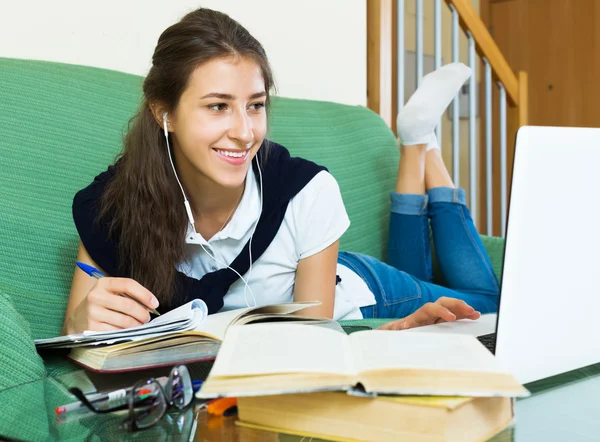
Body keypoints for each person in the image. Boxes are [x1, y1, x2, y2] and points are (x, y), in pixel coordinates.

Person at [62, 8, 499, 335]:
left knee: (491, 305)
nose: (245, 132)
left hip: (360, 294)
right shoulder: (112, 205)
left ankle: (421, 148)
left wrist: (383, 337)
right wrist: (83, 323)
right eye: (218, 106)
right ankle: (418, 144)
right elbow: (74, 339)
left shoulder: (306, 191)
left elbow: (313, 352)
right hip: (308, 278)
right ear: (165, 114)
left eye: (255, 105)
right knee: (432, 276)